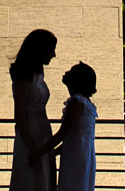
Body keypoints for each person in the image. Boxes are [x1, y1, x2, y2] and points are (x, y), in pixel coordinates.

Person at [32, 62, 97, 191]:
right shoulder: (86, 104)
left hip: (75, 157)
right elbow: (75, 136)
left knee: (72, 184)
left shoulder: (76, 103)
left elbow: (63, 133)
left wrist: (41, 151)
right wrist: (54, 152)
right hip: (84, 154)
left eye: (71, 72)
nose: (66, 72)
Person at [9, 28, 57, 191]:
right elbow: (20, 116)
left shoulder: (38, 74)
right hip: (30, 136)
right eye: (51, 50)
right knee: (32, 180)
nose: (54, 55)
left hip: (43, 133)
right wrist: (33, 149)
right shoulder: (23, 75)